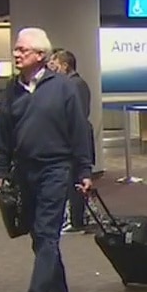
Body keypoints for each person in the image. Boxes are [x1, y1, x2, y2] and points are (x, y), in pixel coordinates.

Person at [0, 28, 93, 292]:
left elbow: (79, 131)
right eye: (16, 50)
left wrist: (83, 170)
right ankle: (58, 288)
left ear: (40, 55)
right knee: (37, 233)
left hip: (56, 169)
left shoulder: (63, 88)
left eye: (23, 50)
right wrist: (0, 168)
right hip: (24, 169)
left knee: (48, 231)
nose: (16, 54)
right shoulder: (13, 89)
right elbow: (4, 132)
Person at [48, 49, 94, 234]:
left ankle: (77, 220)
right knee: (70, 180)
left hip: (76, 140)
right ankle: (73, 218)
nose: (52, 67)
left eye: (55, 63)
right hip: (67, 139)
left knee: (76, 179)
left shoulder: (77, 85)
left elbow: (78, 116)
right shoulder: (66, 84)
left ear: (65, 65)